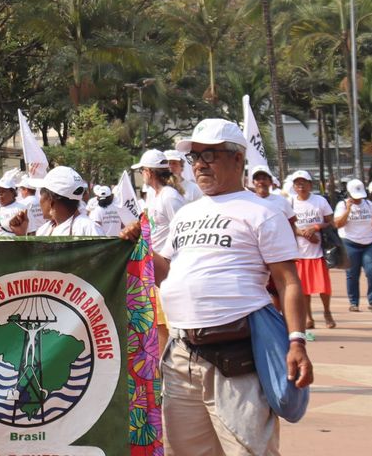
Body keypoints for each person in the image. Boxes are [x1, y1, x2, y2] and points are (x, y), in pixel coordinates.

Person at [155, 119, 312, 455]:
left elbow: (288, 281)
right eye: (194, 157)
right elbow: (165, 271)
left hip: (236, 357)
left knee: (248, 450)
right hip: (181, 356)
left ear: (238, 159)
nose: (199, 164)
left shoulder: (263, 212)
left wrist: (298, 342)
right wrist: (135, 250)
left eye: (209, 155)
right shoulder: (186, 214)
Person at [288, 170, 336, 335]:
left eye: (303, 183)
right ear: (294, 186)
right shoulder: (290, 202)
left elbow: (331, 222)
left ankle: (327, 312)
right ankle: (309, 317)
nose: (300, 186)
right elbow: (287, 225)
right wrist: (304, 234)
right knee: (303, 289)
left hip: (319, 252)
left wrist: (316, 227)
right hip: (299, 252)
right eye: (297, 183)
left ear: (310, 185)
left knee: (324, 288)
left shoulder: (320, 201)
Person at [335, 179, 372, 313]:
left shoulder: (369, 204)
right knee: (352, 274)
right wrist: (348, 210)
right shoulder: (341, 205)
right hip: (349, 243)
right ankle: (354, 302)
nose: (358, 199)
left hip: (369, 243)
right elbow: (337, 224)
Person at [17, 167, 101, 237]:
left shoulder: (89, 229)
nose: (39, 199)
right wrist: (21, 233)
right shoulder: (45, 229)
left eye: (41, 193)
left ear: (51, 200)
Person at [137, 149, 186, 255]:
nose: (141, 174)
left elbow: (183, 233)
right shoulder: (151, 193)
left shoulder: (170, 197)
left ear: (149, 172)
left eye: (142, 170)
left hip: (167, 264)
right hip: (152, 260)